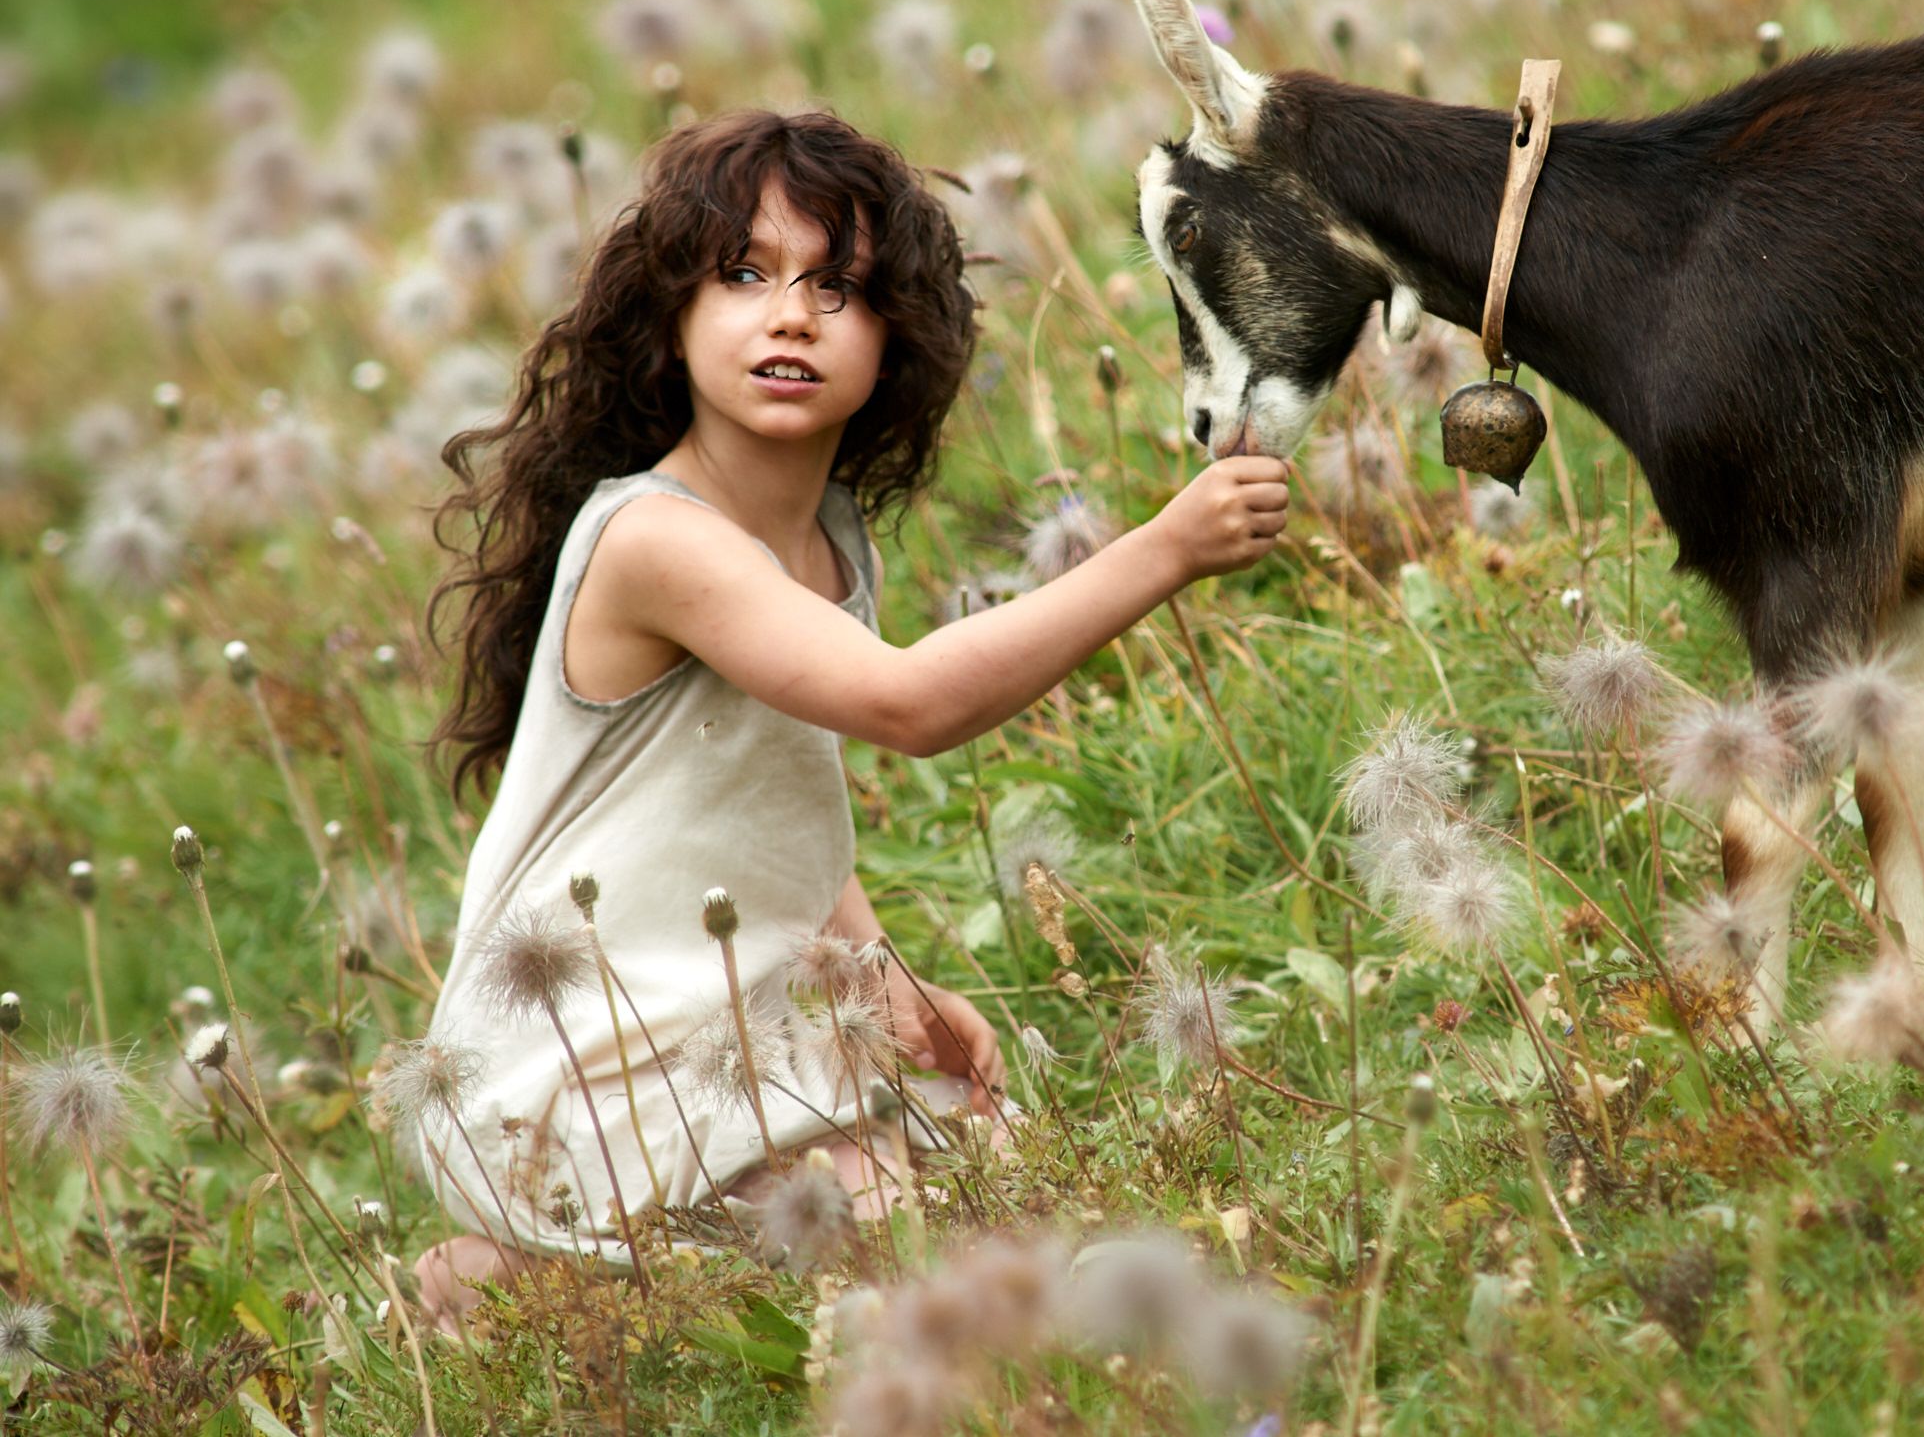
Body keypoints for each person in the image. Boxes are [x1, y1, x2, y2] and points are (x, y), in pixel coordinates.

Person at [404, 108, 1287, 1327]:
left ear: (896, 340)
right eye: (743, 276)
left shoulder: (828, 542)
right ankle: (496, 1281)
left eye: (840, 287)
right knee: (903, 1257)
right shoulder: (656, 539)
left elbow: (782, 802)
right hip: (584, 1057)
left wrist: (888, 987)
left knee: (1004, 1180)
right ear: (670, 318)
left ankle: (546, 1280)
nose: (791, 316)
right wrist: (1163, 550)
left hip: (732, 1016)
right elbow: (908, 705)